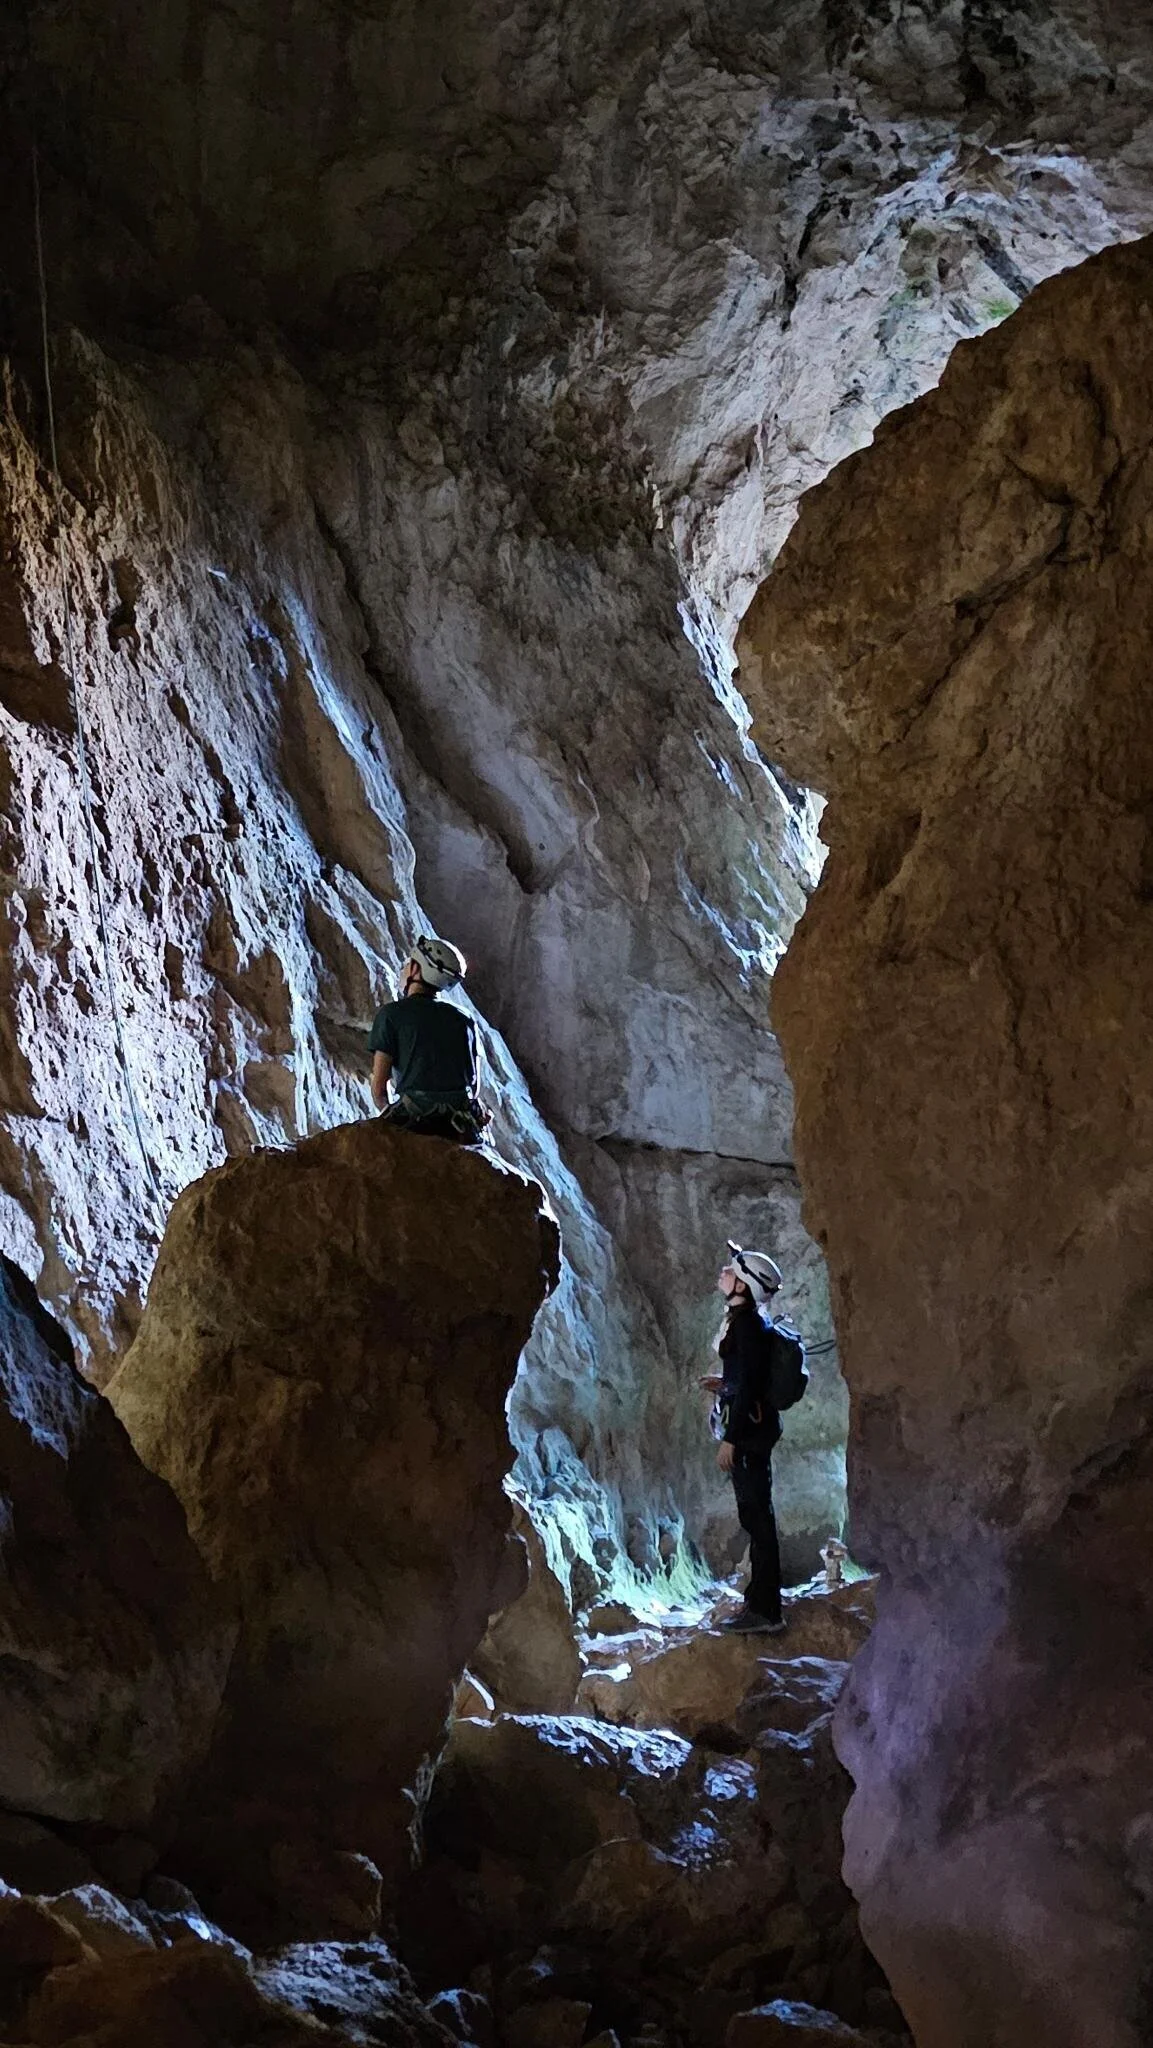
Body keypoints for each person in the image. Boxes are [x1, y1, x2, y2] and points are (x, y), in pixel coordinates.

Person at [700, 1241, 788, 1635]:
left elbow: (751, 1385)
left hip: (750, 1434)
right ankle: (759, 1599)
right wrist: (725, 1384)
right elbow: (745, 1377)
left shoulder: (749, 1325)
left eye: (731, 1269)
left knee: (758, 1518)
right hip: (753, 1428)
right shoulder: (746, 1322)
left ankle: (767, 1610)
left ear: (744, 1285)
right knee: (755, 1515)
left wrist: (730, 1440)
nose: (723, 1271)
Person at [368, 935, 488, 1141]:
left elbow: (379, 1088)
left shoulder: (392, 1015)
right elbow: (474, 1087)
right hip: (460, 1125)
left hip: (414, 1121)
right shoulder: (465, 1019)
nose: (405, 968)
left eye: (409, 963)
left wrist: (388, 1113)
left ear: (416, 969)